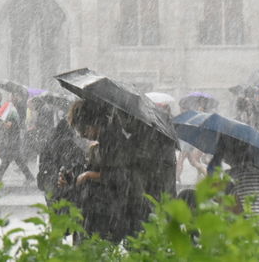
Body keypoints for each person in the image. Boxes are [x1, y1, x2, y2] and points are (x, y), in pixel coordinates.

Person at [58, 100, 176, 243]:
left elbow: (123, 176)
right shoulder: (104, 143)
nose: (82, 135)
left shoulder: (113, 144)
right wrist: (73, 180)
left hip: (112, 215)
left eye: (83, 130)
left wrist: (88, 175)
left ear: (95, 123)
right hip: (107, 213)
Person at [0, 99, 35, 185]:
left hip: (13, 141)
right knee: (11, 161)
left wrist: (0, 120)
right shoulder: (12, 115)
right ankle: (29, 177)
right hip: (12, 141)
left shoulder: (13, 116)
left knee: (9, 160)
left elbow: (8, 125)